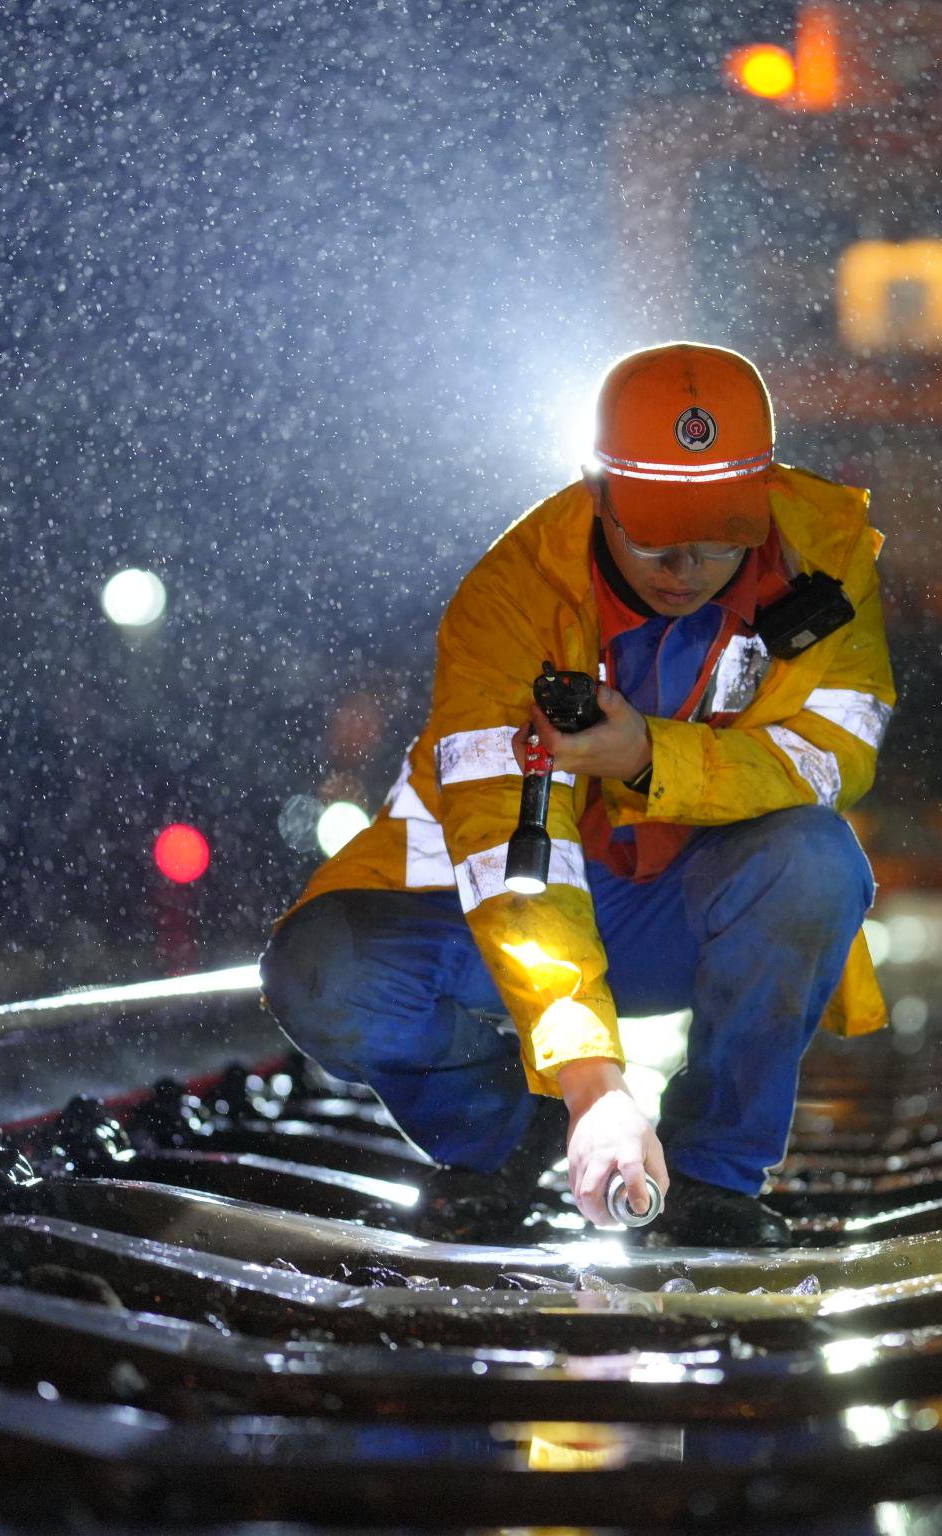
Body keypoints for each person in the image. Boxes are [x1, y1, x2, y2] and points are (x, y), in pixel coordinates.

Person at [260, 343, 895, 1247]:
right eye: (654, 538)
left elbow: (831, 758)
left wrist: (647, 757)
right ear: (595, 492)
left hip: (679, 911)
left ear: (761, 497)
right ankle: (502, 1135)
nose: (686, 567)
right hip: (504, 915)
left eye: (718, 537)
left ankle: (715, 1176)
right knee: (322, 970)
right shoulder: (508, 600)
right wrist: (592, 1084)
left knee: (815, 862)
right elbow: (506, 856)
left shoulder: (827, 559)